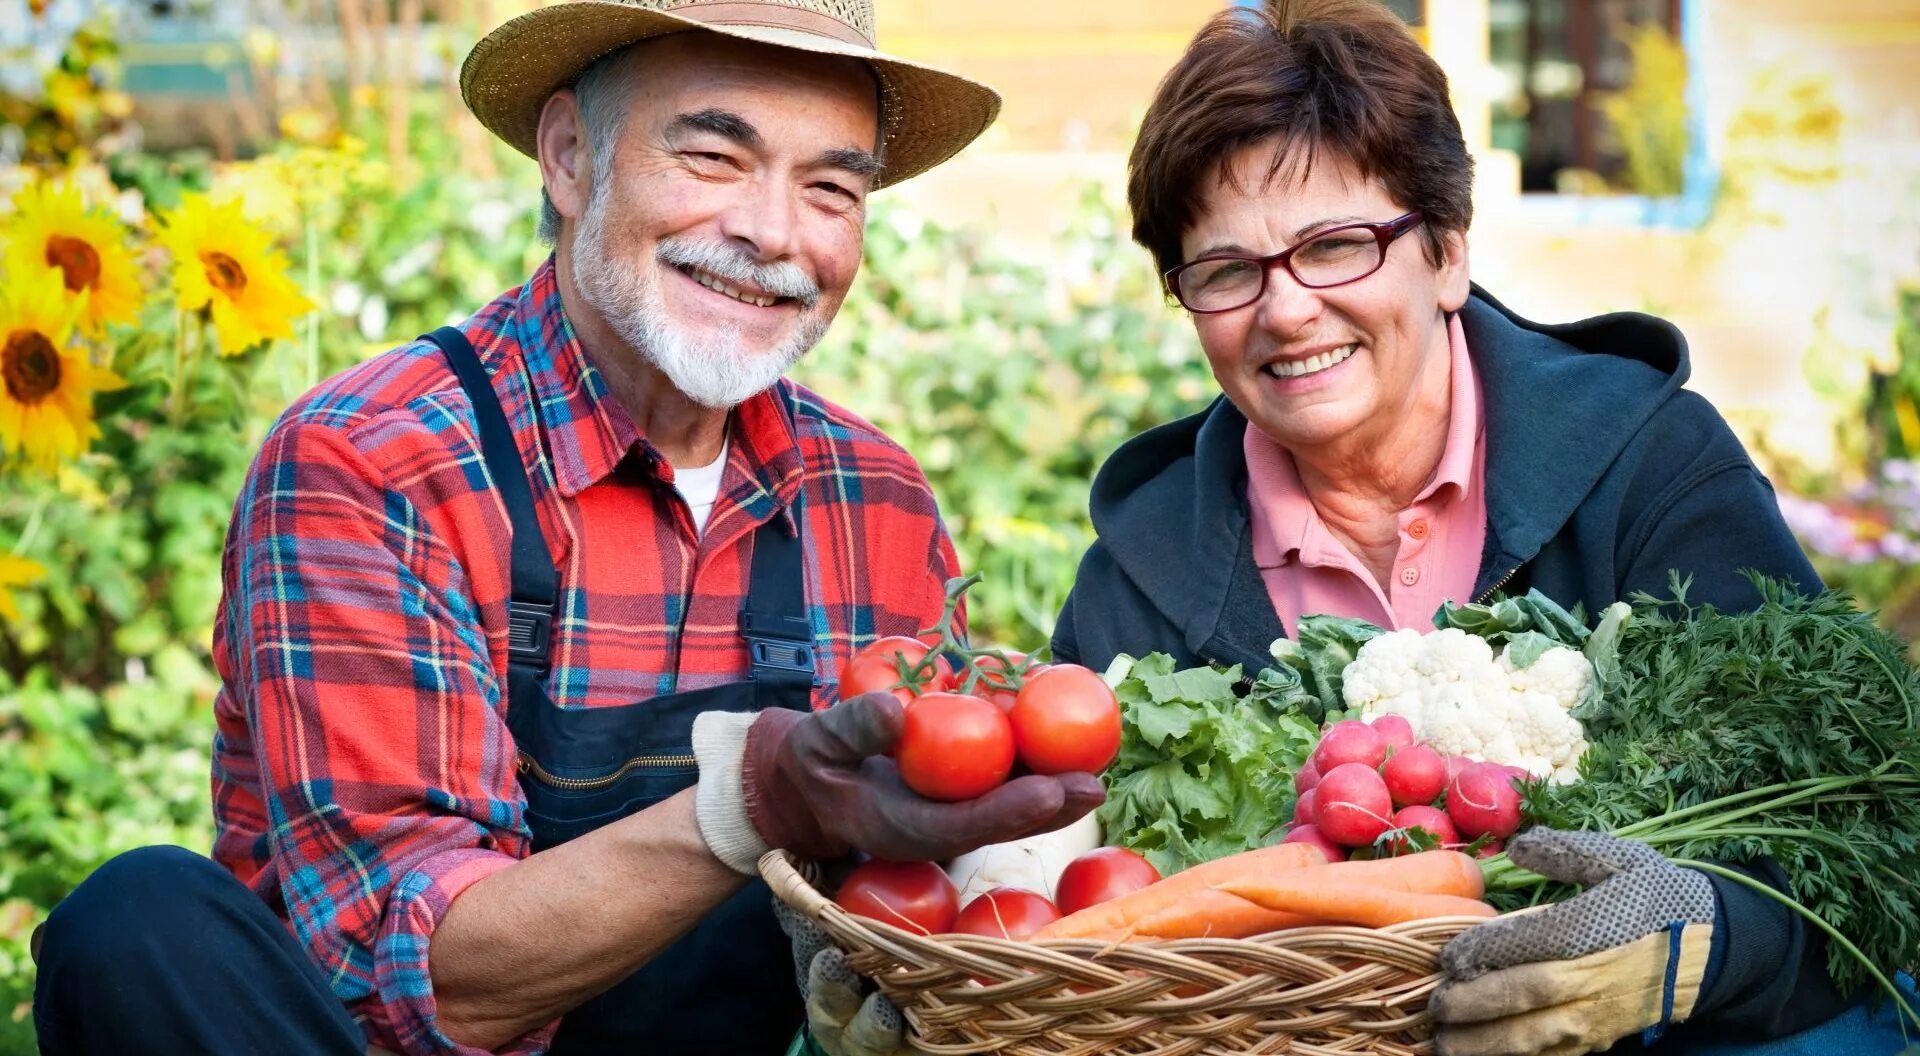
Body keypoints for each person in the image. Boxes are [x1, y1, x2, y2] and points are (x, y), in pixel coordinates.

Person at [29, 2, 1103, 1054]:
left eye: (831, 187)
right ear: (568, 156)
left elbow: (911, 889)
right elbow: (422, 993)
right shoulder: (375, 462)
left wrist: (944, 962)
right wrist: (753, 798)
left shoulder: (872, 497)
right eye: (716, 159)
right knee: (138, 926)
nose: (774, 233)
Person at [1049, 1, 1912, 1054]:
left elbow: (1863, 837)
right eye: (1228, 271)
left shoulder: (1651, 468)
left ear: (1447, 252)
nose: (1284, 311)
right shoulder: (1136, 577)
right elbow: (1062, 898)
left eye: (1335, 246)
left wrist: (1697, 942)